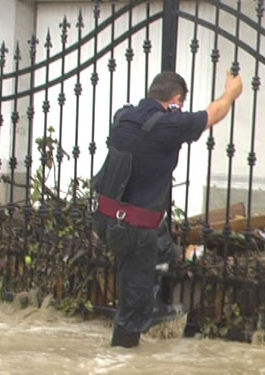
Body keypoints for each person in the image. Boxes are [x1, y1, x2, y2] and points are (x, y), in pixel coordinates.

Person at [93, 70, 243, 348]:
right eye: (180, 105)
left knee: (161, 247)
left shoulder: (123, 117)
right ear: (176, 100)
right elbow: (213, 113)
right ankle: (124, 352)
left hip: (107, 219)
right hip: (134, 230)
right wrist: (231, 92)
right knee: (131, 312)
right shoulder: (169, 125)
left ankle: (151, 302)